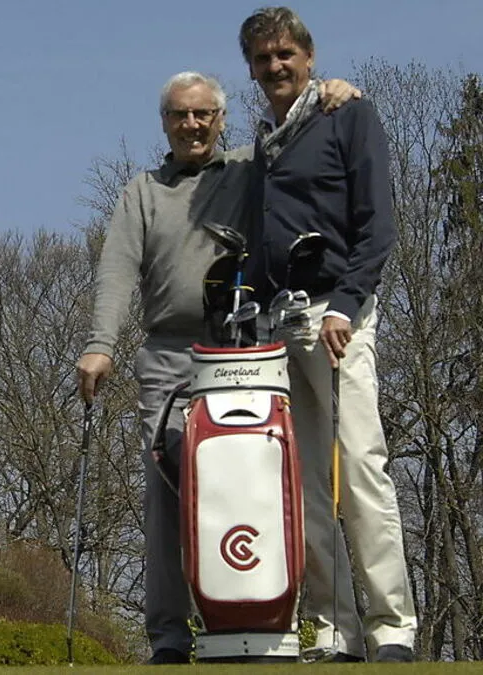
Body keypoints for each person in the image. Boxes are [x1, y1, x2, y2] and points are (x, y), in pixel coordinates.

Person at [75, 71, 359, 665]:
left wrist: (333, 94)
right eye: (180, 115)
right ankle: (171, 639)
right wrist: (101, 344)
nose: (193, 125)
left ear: (220, 119)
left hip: (248, 350)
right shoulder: (143, 191)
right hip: (170, 358)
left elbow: (297, 137)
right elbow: (117, 271)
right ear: (165, 123)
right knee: (168, 496)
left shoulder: (246, 169)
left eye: (203, 114)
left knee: (268, 486)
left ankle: (274, 618)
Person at [238, 6, 418, 664]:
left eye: (286, 54)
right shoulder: (264, 142)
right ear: (252, 70)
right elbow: (260, 244)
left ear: (309, 59)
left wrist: (348, 303)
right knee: (306, 482)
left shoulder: (348, 116)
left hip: (337, 317)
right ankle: (336, 629)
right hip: (279, 326)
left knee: (361, 469)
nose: (276, 66)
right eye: (263, 59)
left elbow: (377, 223)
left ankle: (392, 625)